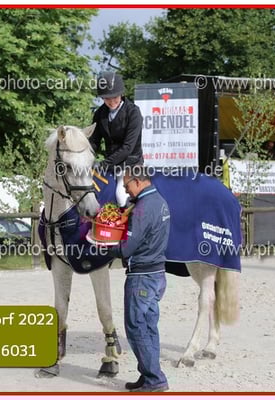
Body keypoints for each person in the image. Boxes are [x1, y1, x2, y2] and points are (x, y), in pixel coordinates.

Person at [107, 166, 170, 392]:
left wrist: (104, 245)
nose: (126, 190)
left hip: (141, 276)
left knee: (136, 327)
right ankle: (148, 374)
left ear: (137, 181)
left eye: (126, 186)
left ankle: (155, 378)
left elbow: (127, 248)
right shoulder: (160, 201)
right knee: (149, 327)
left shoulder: (143, 208)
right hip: (157, 274)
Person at [90, 71, 144, 207]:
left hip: (130, 164)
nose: (111, 101)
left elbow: (127, 148)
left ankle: (132, 220)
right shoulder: (100, 114)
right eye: (107, 98)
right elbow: (94, 141)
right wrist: (86, 158)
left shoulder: (133, 113)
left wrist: (103, 164)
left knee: (121, 196)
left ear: (121, 94)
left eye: (114, 97)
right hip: (110, 166)